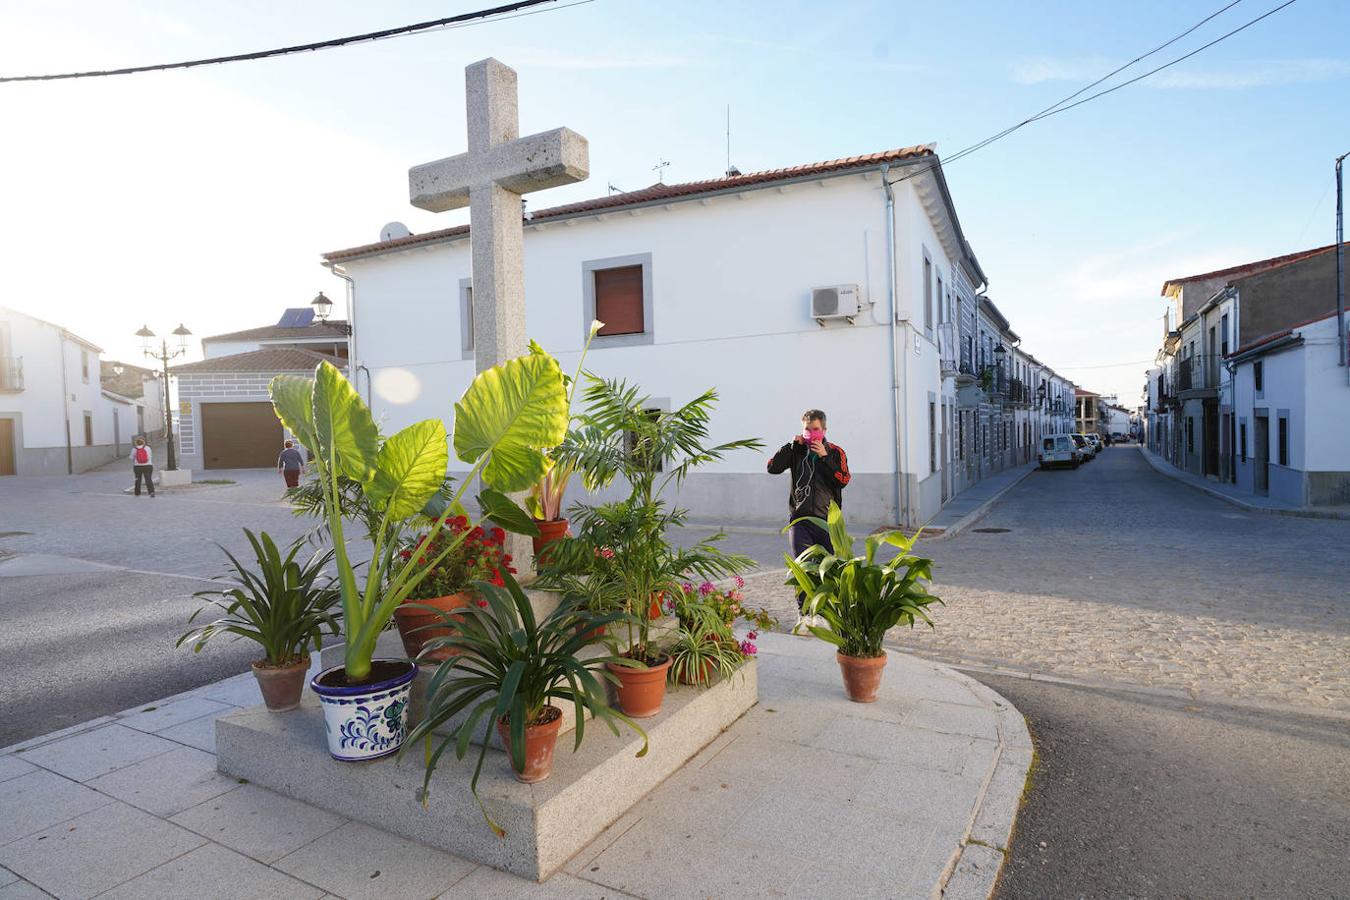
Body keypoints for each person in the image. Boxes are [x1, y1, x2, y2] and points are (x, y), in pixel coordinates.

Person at [766, 409, 850, 630]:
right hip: (800, 519)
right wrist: (791, 446)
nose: (811, 433)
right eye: (807, 429)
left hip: (827, 522)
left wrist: (824, 457)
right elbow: (772, 468)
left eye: (816, 429)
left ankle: (825, 615)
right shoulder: (796, 450)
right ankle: (804, 616)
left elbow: (842, 480)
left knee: (826, 570)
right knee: (803, 569)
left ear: (824, 430)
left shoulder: (835, 452)